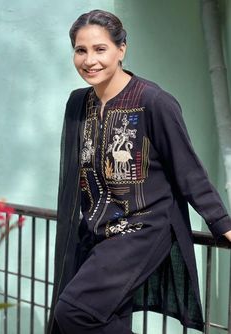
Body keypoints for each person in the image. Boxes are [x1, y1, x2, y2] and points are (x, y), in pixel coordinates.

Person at [47, 9, 231, 334]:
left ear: (122, 49)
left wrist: (222, 224)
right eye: (81, 50)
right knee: (105, 320)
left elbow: (188, 169)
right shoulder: (80, 104)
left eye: (100, 49)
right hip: (96, 233)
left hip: (143, 229)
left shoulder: (153, 101)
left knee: (74, 311)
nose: (89, 60)